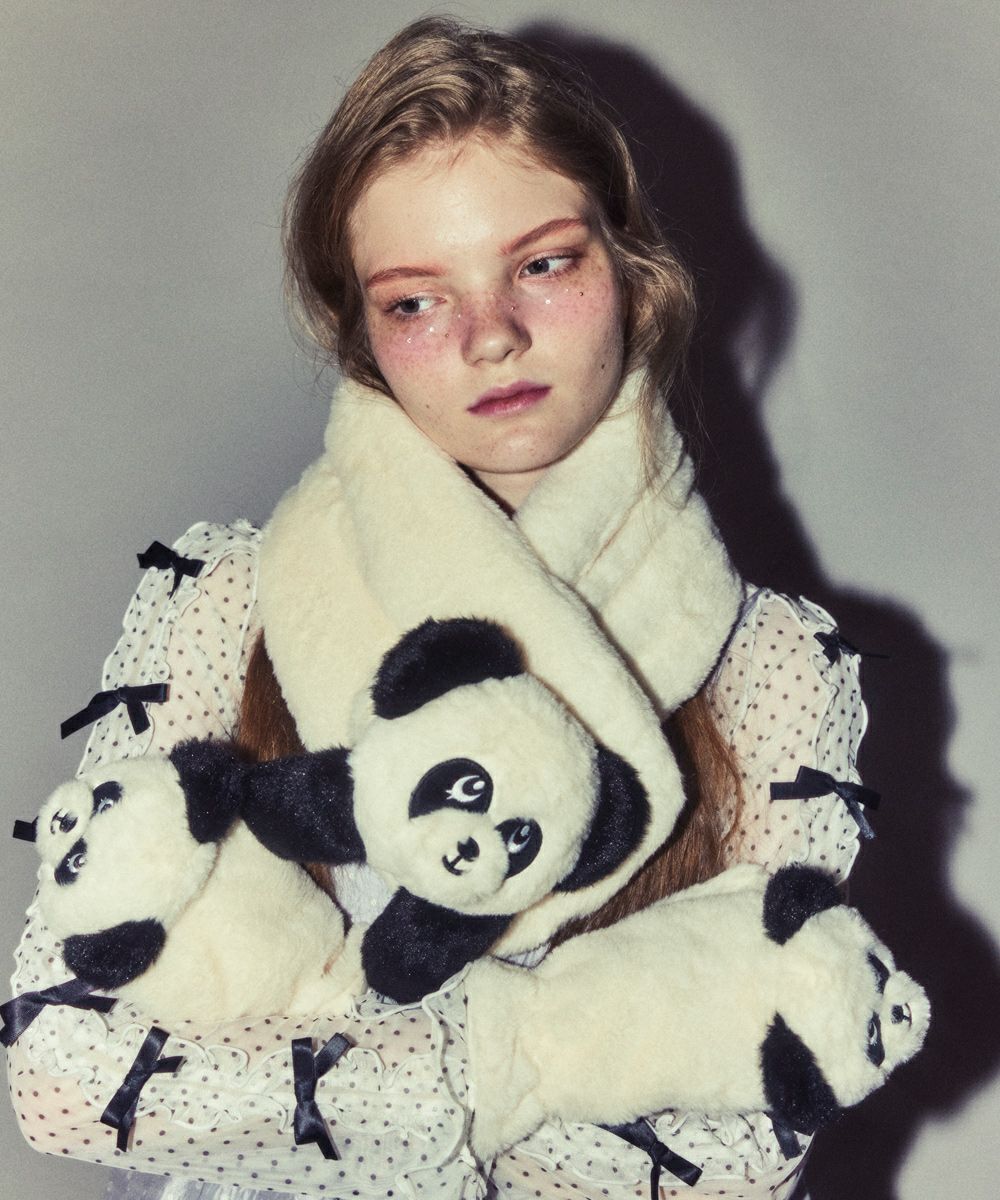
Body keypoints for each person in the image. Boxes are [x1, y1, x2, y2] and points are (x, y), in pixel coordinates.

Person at [5, 17, 868, 1200]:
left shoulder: (770, 663)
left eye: (543, 265)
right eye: (415, 301)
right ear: (360, 333)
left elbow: (751, 1145)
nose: (490, 336)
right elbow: (62, 1067)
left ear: (632, 269)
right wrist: (525, 1062)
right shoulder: (225, 603)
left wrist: (312, 1077)